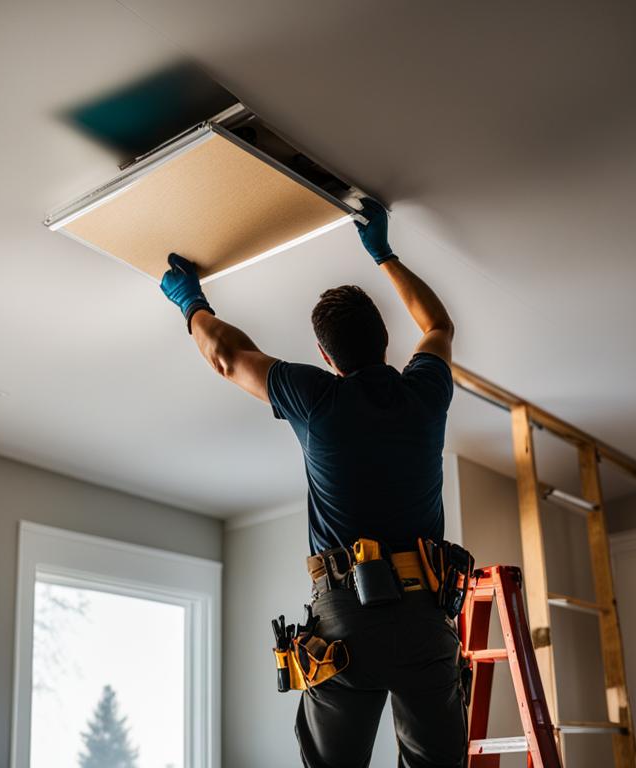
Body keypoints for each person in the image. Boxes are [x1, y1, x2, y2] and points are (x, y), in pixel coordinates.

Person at [160, 199, 465, 767]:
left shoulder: (317, 398)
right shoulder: (425, 391)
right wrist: (384, 253)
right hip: (425, 619)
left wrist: (192, 304)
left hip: (348, 625)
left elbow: (229, 356)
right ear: (384, 342)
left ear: (326, 357)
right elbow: (438, 325)